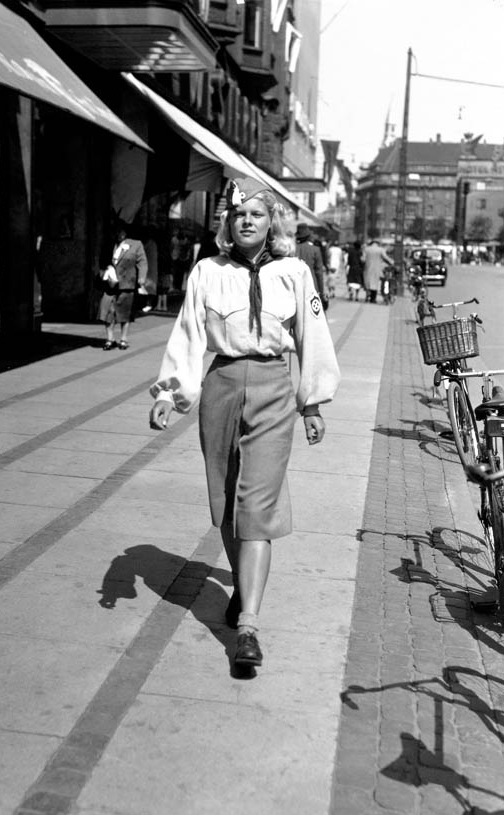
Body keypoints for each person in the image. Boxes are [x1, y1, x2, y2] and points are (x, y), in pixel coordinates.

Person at [148, 176, 340, 669]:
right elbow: (189, 335)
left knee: (256, 504)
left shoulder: (295, 272)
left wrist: (312, 401)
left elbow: (313, 335)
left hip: (275, 389)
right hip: (222, 387)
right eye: (238, 215)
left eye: (256, 213)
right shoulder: (206, 272)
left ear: (271, 221)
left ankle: (248, 626)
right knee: (227, 501)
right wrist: (171, 393)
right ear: (228, 223)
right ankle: (241, 587)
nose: (247, 221)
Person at [98, 221, 147, 350]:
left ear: (126, 232)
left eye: (122, 231)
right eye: (117, 231)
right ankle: (110, 339)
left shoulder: (136, 244)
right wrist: (104, 272)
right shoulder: (109, 244)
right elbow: (101, 261)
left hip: (127, 284)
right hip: (110, 283)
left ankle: (123, 339)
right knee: (107, 310)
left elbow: (142, 262)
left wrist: (142, 277)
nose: (119, 234)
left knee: (124, 312)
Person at [295, 223, 327, 309]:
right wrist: (321, 293)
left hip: (295, 286)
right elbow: (319, 273)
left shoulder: (292, 248)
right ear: (309, 236)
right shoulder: (315, 250)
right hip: (311, 285)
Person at [362, 239, 393, 303]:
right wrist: (391, 262)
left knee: (368, 282)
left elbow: (363, 259)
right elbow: (385, 258)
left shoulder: (366, 249)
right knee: (375, 283)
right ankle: (373, 298)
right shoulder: (380, 250)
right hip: (377, 268)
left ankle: (367, 295)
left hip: (368, 268)